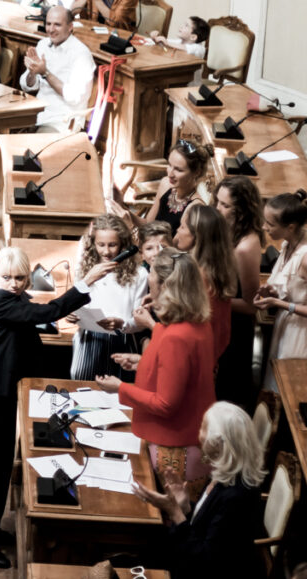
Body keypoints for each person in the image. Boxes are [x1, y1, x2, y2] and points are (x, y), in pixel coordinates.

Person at [0, 246, 115, 569]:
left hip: (4, 395)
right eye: (7, 277)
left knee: (1, 470)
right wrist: (85, 283)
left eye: (20, 277)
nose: (14, 284)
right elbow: (42, 314)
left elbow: (36, 313)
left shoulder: (15, 298)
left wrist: (58, 311)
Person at [97, 249, 215, 496]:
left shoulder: (177, 336)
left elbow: (166, 404)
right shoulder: (194, 322)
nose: (150, 290)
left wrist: (121, 388)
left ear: (167, 287)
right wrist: (143, 362)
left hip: (176, 445)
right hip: (186, 435)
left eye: (152, 282)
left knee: (169, 524)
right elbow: (183, 374)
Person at [132, 401, 266, 578]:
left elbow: (203, 562)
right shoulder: (225, 474)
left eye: (203, 429)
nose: (199, 435)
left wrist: (175, 512)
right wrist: (185, 506)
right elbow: (204, 524)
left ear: (218, 442)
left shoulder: (237, 498)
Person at [69, 214, 147, 380]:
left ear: (123, 245)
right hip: (90, 340)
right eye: (101, 245)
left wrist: (122, 323)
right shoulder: (85, 268)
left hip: (123, 341)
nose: (106, 251)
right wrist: (72, 313)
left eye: (112, 245)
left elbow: (140, 322)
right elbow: (76, 301)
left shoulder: (140, 274)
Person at [212, 177, 263, 410]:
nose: (217, 209)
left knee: (227, 393)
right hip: (221, 320)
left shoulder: (246, 246)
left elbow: (252, 304)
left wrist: (212, 298)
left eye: (224, 205)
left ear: (241, 210)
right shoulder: (228, 230)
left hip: (236, 330)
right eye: (217, 202)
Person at [254, 191, 307, 391]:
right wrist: (272, 293)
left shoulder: (305, 258)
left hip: (300, 337)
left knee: (286, 389)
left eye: (270, 224)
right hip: (285, 327)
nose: (263, 227)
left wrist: (281, 304)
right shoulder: (288, 243)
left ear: (290, 227)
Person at [174, 204, 236, 364]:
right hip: (210, 357)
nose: (177, 231)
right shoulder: (217, 269)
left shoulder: (196, 277)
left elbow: (182, 330)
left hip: (192, 360)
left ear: (197, 237)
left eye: (182, 227)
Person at [109, 139, 212, 234]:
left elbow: (175, 252)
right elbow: (148, 224)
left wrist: (130, 226)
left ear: (196, 173)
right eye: (169, 165)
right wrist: (122, 207)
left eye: (178, 170)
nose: (170, 173)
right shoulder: (166, 184)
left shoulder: (195, 208)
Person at [19, 6, 96, 131]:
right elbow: (26, 85)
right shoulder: (43, 44)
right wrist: (32, 72)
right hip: (38, 114)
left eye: (57, 25)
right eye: (48, 24)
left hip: (61, 121)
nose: (51, 29)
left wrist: (45, 73)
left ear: (70, 27)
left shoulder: (81, 54)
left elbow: (74, 97)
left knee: (29, 147)